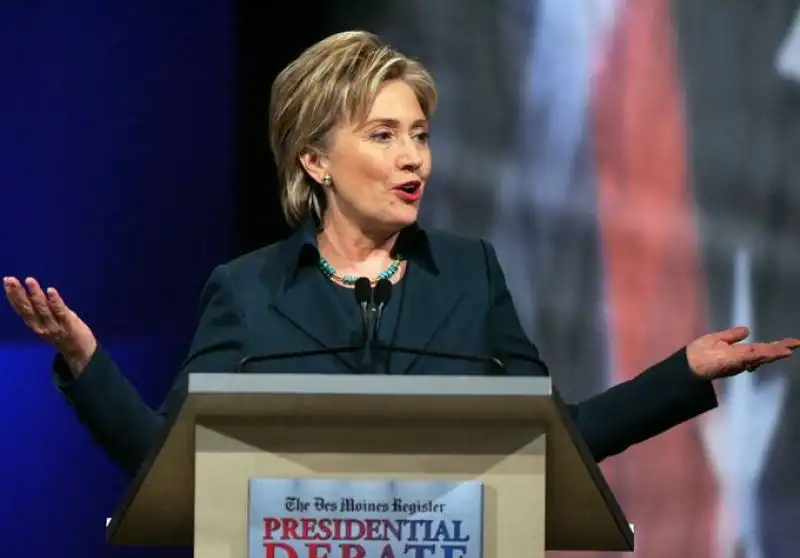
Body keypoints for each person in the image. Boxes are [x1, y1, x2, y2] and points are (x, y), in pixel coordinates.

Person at [3, 30, 798, 479]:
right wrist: (85, 360)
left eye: (419, 134)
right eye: (383, 136)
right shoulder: (245, 291)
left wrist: (681, 377)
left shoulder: (470, 274)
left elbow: (557, 441)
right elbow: (168, 471)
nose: (414, 157)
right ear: (315, 160)